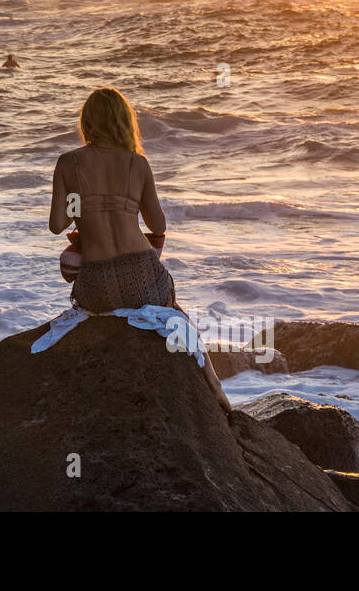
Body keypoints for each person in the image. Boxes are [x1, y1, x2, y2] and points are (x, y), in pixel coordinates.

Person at [49, 87, 232, 412]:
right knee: (175, 312)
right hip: (143, 276)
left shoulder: (68, 163)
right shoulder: (138, 163)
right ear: (123, 122)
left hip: (96, 286)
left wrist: (83, 215)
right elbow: (158, 225)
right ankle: (213, 384)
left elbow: (57, 224)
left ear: (87, 122)